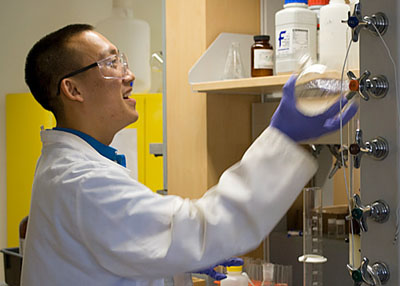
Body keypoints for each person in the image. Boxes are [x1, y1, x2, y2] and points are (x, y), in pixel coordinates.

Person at [21, 24, 357, 286]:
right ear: (73, 89)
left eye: (120, 59)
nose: (129, 75)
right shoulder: (81, 181)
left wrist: (178, 257)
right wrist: (282, 138)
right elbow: (203, 228)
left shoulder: (75, 168)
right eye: (111, 63)